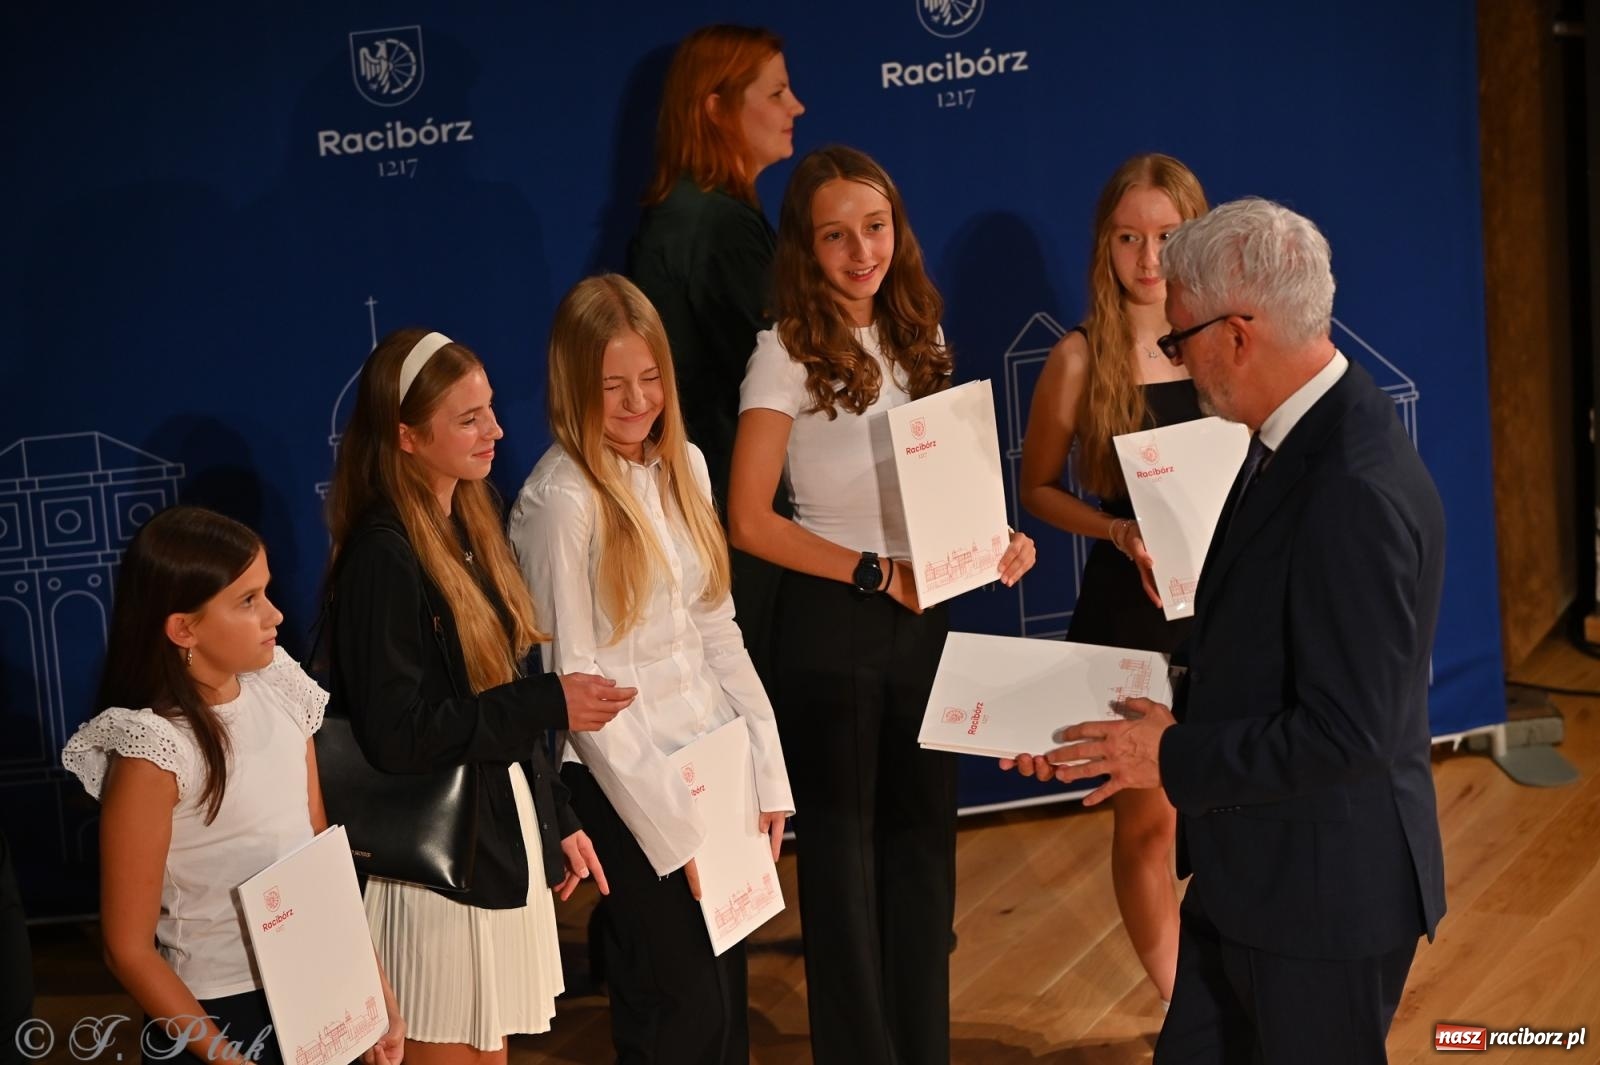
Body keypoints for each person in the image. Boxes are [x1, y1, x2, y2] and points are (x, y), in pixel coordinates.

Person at [1011, 199, 1447, 1064]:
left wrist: (1164, 759)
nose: (1175, 359)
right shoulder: (1293, 437)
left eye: (1179, 339)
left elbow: (1347, 733)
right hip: (1254, 878)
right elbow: (1260, 658)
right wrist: (1107, 723)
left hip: (1320, 904)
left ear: (1237, 335)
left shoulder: (1349, 487)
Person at [728, 145, 1035, 1064]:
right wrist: (872, 573)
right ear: (805, 247)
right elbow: (747, 519)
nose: (861, 251)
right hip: (835, 624)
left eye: (875, 227)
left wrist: (996, 541)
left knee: (920, 854)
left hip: (921, 620)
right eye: (836, 235)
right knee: (845, 871)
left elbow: (946, 492)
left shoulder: (921, 334)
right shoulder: (780, 353)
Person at [325, 328, 636, 1064]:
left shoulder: (467, 521)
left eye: (490, 408)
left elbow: (496, 688)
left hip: (497, 839)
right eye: (468, 418)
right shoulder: (382, 554)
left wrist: (556, 815)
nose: (495, 429)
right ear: (406, 435)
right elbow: (399, 732)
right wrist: (550, 703)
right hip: (436, 872)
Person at [508, 274, 794, 1064]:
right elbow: (579, 692)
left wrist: (766, 774)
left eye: (649, 378)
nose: (637, 401)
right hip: (622, 787)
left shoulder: (687, 466)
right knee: (678, 1012)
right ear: (573, 386)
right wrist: (678, 830)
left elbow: (716, 627)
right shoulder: (558, 502)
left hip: (710, 764)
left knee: (724, 1010)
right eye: (612, 385)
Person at [62, 505, 404, 1065]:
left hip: (314, 987)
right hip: (217, 1011)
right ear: (184, 628)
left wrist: (370, 989)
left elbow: (319, 862)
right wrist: (224, 1056)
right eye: (247, 601)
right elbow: (127, 948)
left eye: (265, 592)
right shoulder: (156, 751)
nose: (275, 615)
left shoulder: (281, 692)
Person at [1015, 153, 1208, 1004]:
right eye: (1129, 238)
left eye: (1165, 236)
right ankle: (1176, 1010)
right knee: (1148, 819)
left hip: (1224, 608)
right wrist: (1118, 529)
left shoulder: (1225, 340)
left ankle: (1237, 990)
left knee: (1236, 803)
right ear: (1104, 246)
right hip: (1130, 614)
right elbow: (1038, 488)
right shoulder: (1081, 357)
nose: (1148, 257)